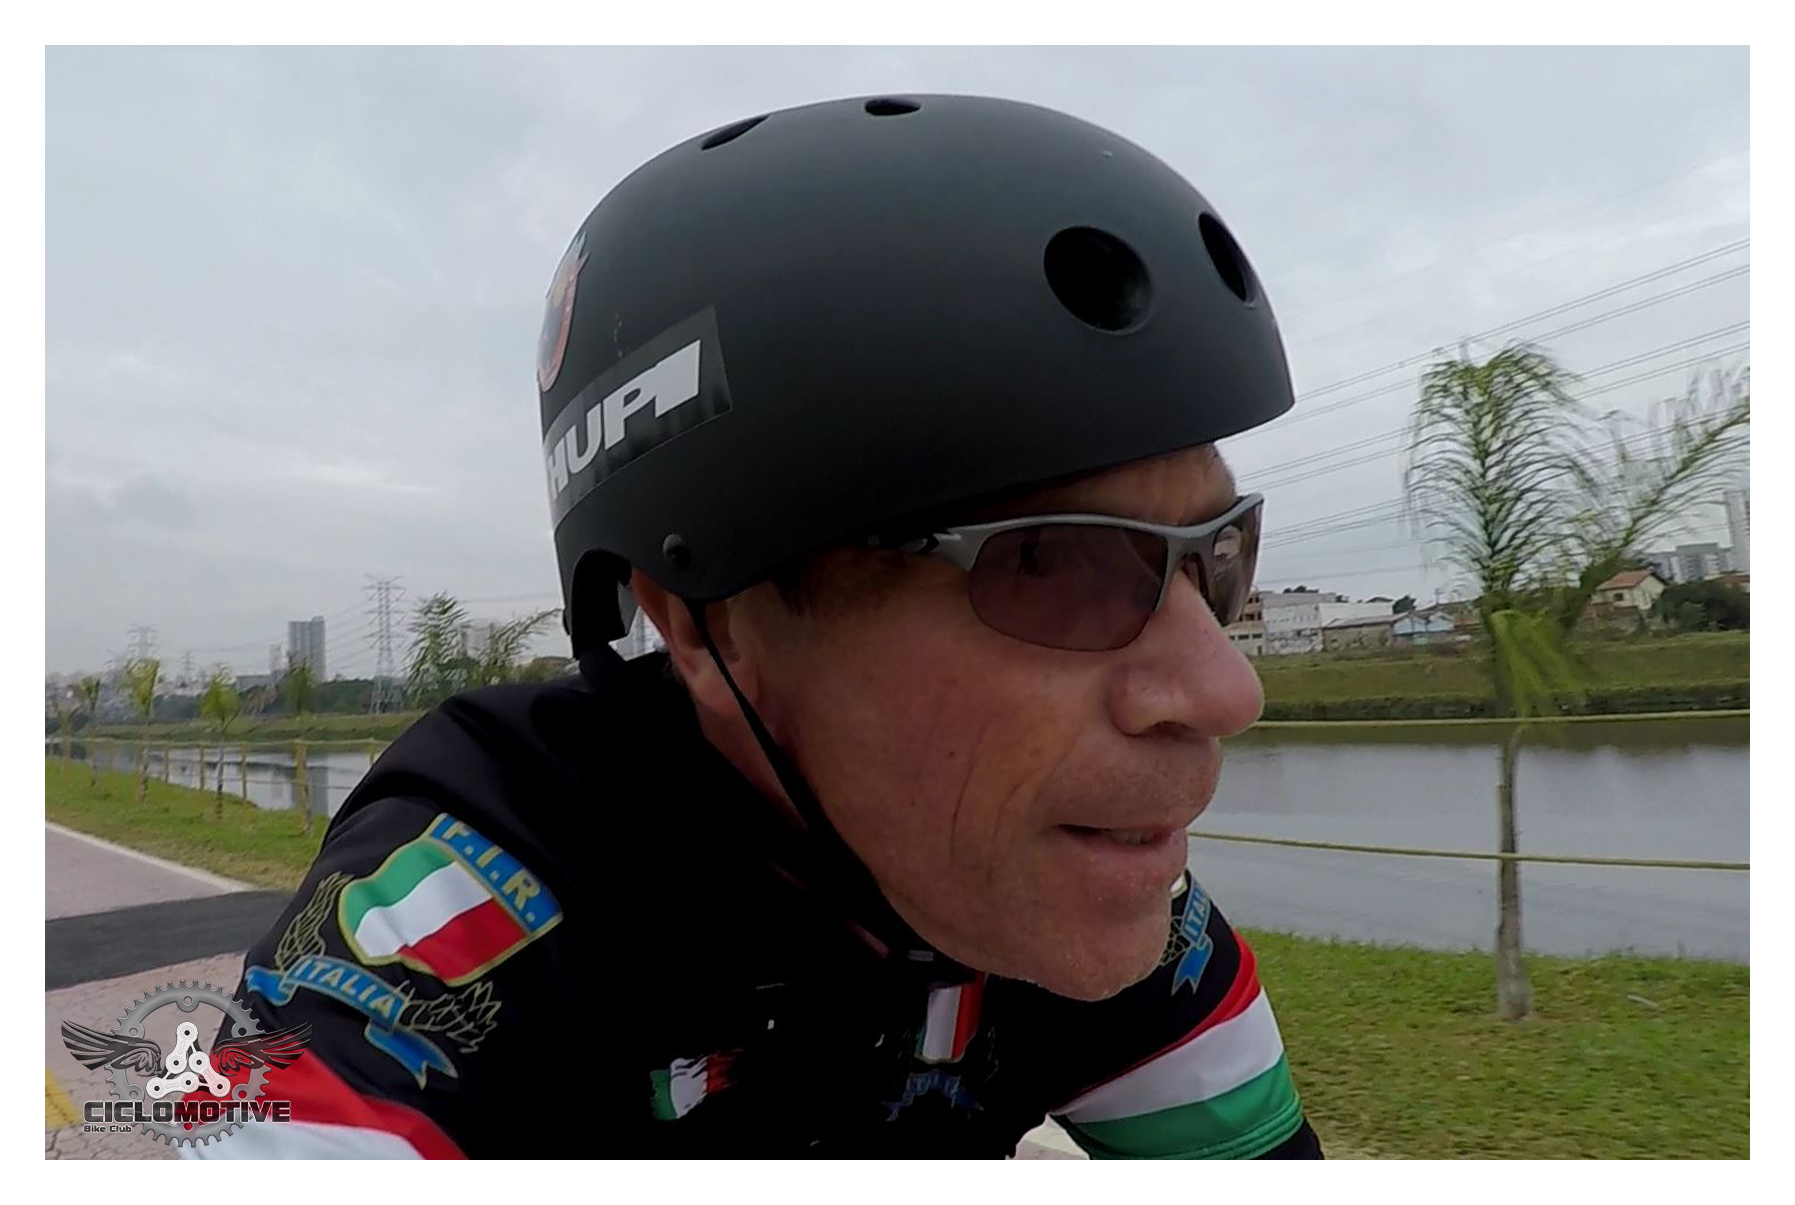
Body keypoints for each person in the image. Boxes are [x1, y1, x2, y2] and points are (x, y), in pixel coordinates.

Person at [196, 93, 1324, 1159]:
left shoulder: (1069, 877)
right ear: (704, 624)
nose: (1227, 690)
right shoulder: (470, 913)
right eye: (1052, 563)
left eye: (1217, 553)